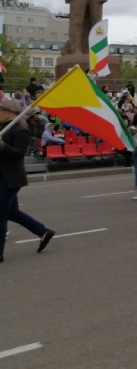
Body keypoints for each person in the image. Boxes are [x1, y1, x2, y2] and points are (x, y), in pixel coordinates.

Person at [0, 100, 56, 263]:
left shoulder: (20, 130)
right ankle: (43, 231)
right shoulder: (2, 127)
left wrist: (2, 145)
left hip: (10, 178)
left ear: (9, 112)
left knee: (0, 215)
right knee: (12, 213)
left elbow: (18, 154)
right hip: (1, 175)